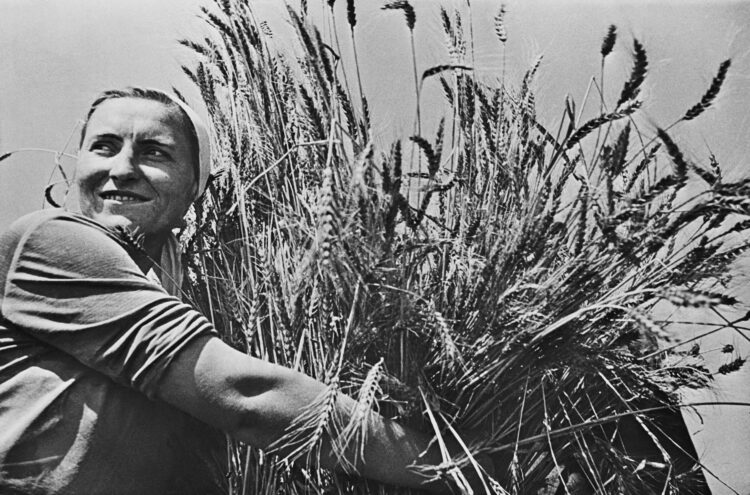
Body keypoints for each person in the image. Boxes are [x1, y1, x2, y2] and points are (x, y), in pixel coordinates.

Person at [0, 87, 489, 494]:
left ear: (196, 185)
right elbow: (246, 396)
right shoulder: (50, 238)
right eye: (103, 146)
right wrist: (459, 470)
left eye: (154, 152)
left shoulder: (200, 305)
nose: (122, 167)